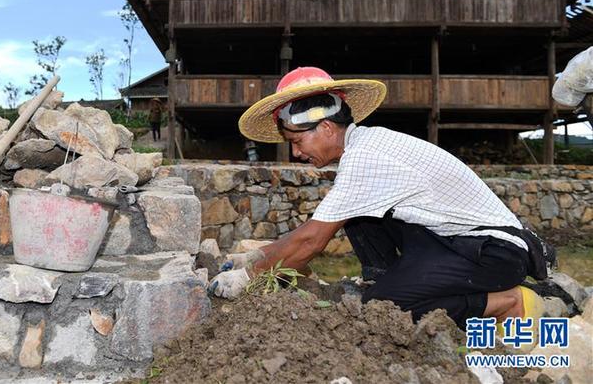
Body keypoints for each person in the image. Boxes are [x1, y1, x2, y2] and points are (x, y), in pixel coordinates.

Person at [210, 67, 547, 329]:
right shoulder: (367, 144)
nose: (296, 153)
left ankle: (506, 302)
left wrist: (249, 277)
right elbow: (315, 228)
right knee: (358, 215)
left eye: (297, 142)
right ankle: (389, 281)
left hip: (495, 254)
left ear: (326, 128)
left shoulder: (365, 158)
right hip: (454, 243)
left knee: (381, 312)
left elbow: (311, 241)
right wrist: (256, 257)